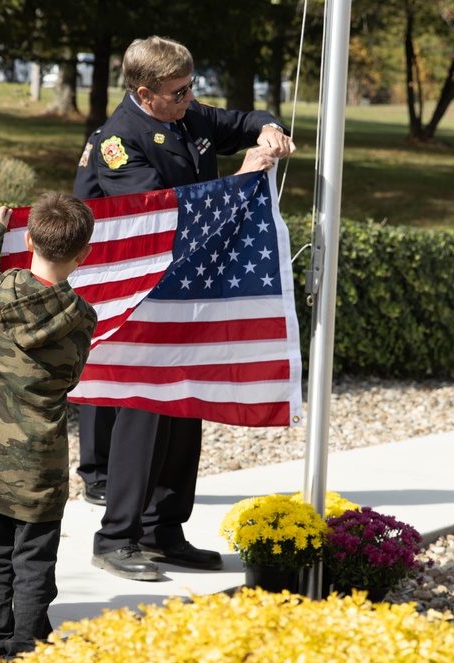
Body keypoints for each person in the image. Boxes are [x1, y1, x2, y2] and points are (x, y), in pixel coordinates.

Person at [73, 35, 296, 581]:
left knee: (185, 404)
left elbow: (243, 119)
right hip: (134, 290)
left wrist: (267, 128)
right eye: (178, 92)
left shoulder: (186, 114)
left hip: (183, 284)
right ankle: (117, 536)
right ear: (145, 94)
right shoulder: (117, 144)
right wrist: (242, 177)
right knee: (144, 410)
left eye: (192, 87)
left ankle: (164, 530)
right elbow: (163, 219)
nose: (190, 99)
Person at [0, 193, 98, 663]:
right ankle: (29, 649)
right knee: (34, 562)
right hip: (38, 466)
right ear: (83, 254)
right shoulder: (81, 319)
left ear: (26, 239)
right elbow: (70, 379)